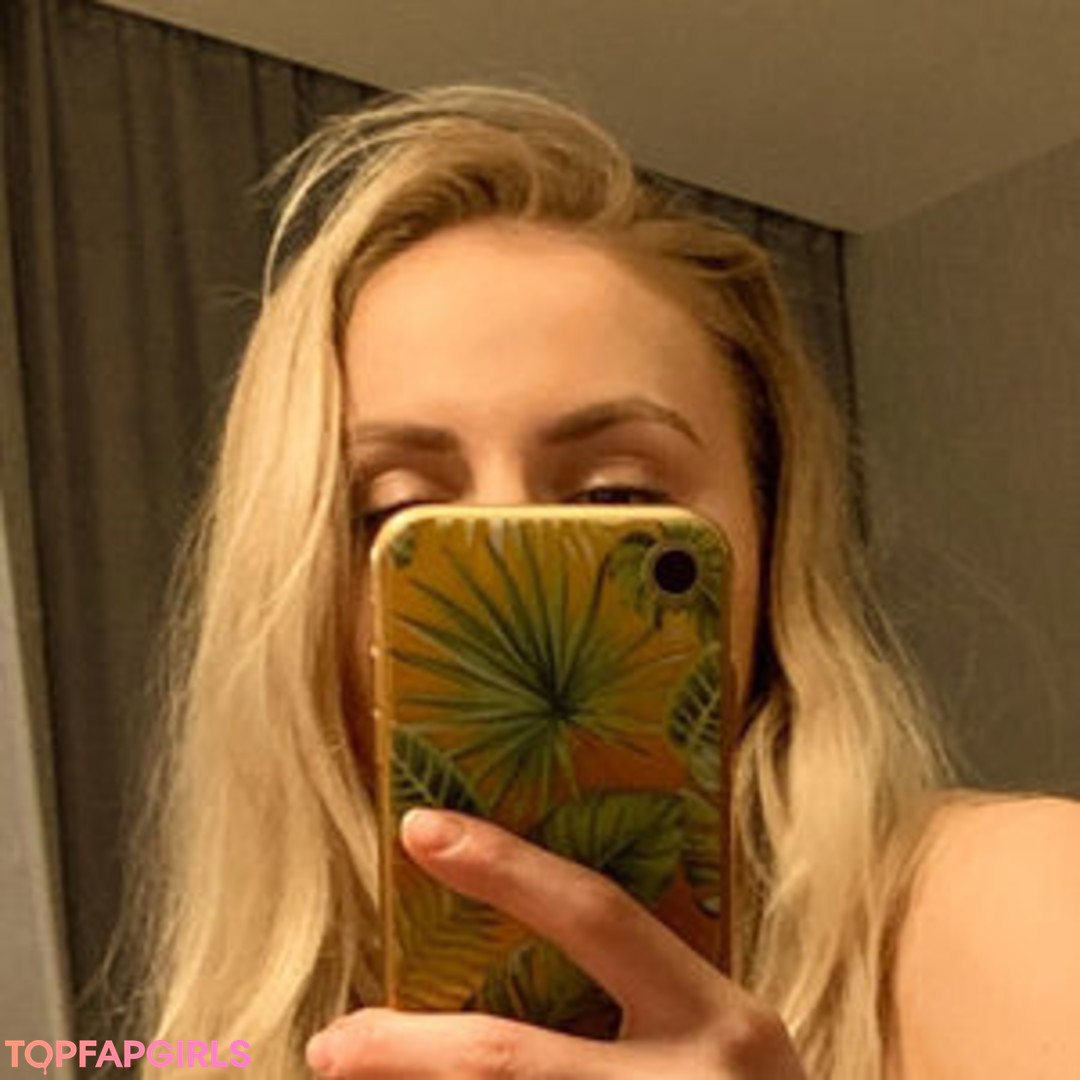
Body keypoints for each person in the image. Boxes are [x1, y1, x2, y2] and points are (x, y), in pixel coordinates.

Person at [129, 85, 1080, 1079]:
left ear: (768, 538)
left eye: (615, 496)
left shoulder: (1011, 905)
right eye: (400, 512)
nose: (511, 570)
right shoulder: (231, 1048)